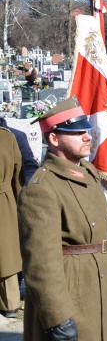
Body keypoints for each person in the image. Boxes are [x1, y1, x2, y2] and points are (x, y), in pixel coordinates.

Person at [18, 97, 107, 341]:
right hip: (70, 297)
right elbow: (41, 264)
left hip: (97, 290)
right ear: (54, 139)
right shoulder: (43, 187)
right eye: (77, 132)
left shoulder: (87, 172)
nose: (87, 136)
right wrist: (57, 319)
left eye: (86, 130)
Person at [0, 127, 23, 319]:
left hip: (4, 196)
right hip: (4, 200)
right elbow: (18, 173)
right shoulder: (6, 136)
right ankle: (10, 303)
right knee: (5, 253)